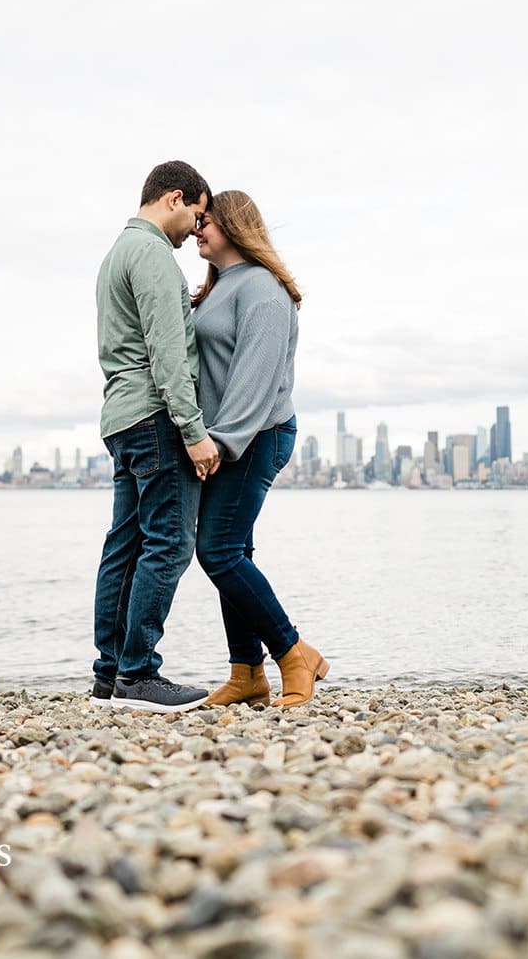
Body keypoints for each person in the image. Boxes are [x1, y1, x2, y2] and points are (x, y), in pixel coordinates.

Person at [91, 160, 223, 713]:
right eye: (196, 214)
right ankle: (139, 673)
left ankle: (109, 674)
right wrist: (193, 431)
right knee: (169, 542)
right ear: (175, 197)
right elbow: (168, 351)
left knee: (125, 545)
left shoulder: (118, 251)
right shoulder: (152, 256)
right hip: (154, 417)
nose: (197, 230)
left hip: (122, 417)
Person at [190, 190, 328, 708]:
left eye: (206, 222)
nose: (197, 230)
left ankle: (294, 653)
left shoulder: (263, 291)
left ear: (234, 225)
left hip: (255, 435)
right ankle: (246, 672)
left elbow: (255, 378)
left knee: (219, 552)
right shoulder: (223, 286)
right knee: (235, 551)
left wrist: (219, 445)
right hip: (231, 437)